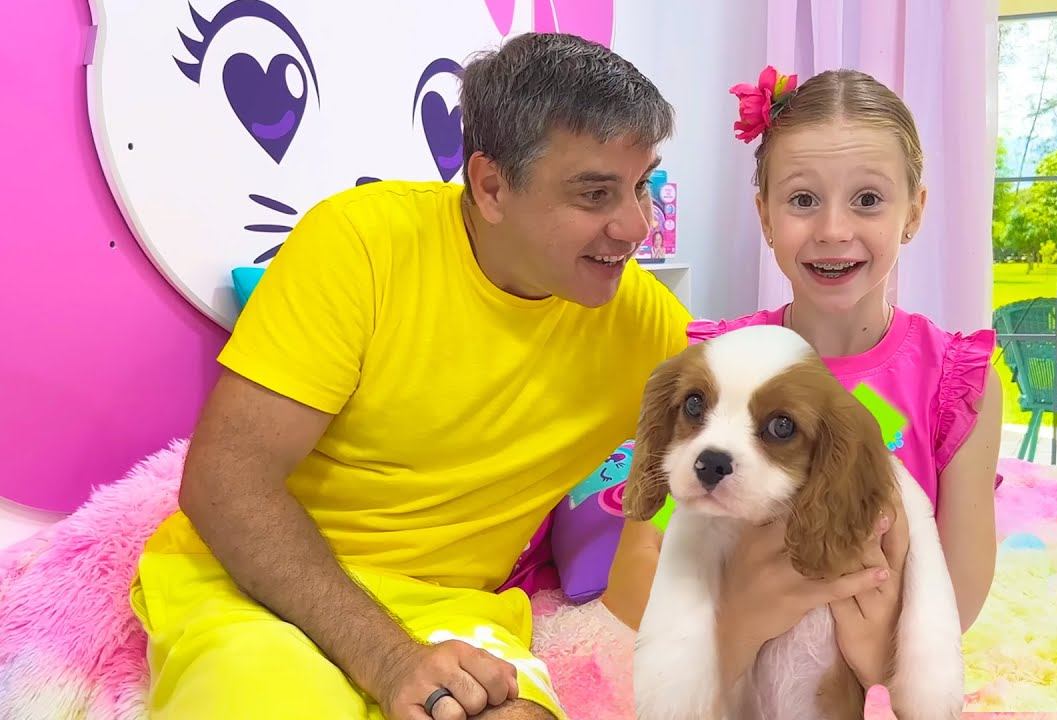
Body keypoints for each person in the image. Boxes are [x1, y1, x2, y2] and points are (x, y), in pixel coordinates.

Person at [128, 32, 700, 720]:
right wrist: (389, 660)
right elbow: (225, 483)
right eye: (595, 194)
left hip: (454, 611)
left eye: (641, 186)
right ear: (491, 186)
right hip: (255, 588)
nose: (635, 226)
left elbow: (776, 423)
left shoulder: (650, 326)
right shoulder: (360, 245)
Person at [603, 66, 1002, 700]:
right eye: (803, 200)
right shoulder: (715, 364)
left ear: (914, 211)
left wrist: (877, 657)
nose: (833, 230)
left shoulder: (956, 379)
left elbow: (957, 602)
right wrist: (738, 626)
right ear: (764, 215)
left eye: (867, 199)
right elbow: (633, 577)